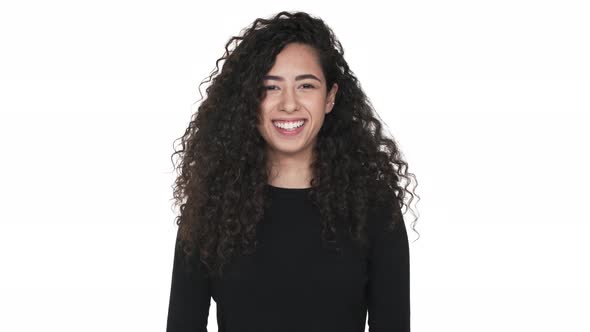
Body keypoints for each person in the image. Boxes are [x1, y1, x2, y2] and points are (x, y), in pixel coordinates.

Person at [166, 10, 419, 332]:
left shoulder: (374, 209)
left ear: (330, 98)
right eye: (270, 87)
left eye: (306, 86)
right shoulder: (210, 209)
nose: (289, 104)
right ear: (249, 101)